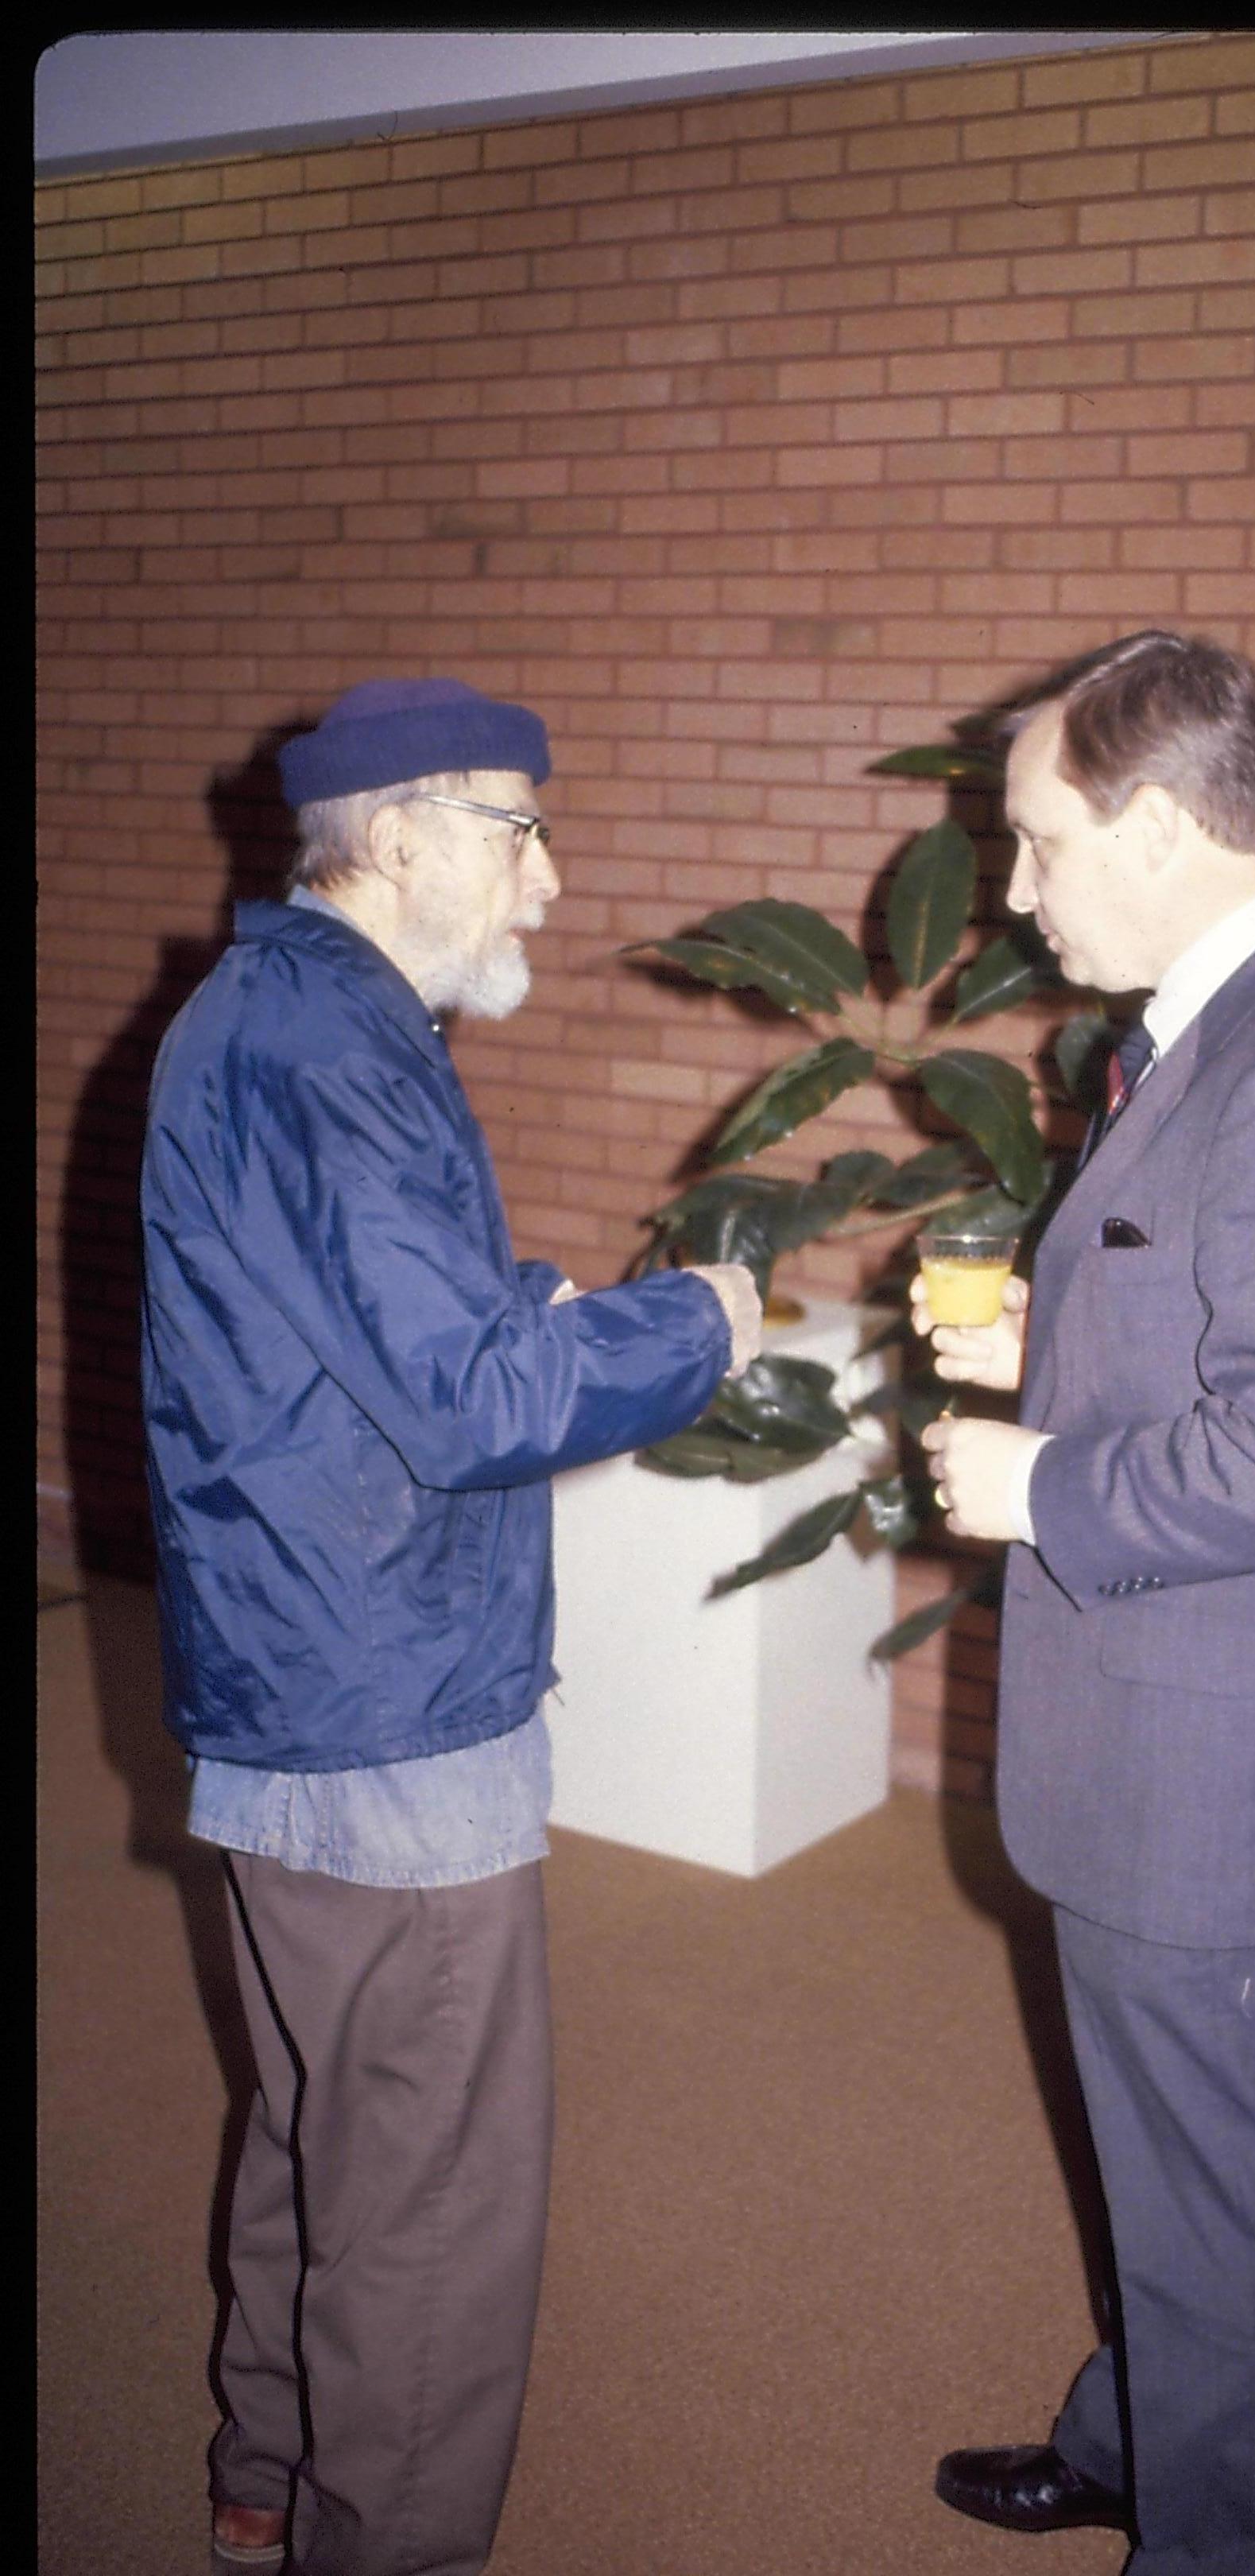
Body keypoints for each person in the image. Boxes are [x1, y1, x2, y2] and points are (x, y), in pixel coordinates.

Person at [139, 677, 763, 2576]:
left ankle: (264, 2474)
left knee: (327, 2121)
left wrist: (512, 1309)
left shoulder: (293, 1016)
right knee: (429, 2204)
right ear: (398, 837)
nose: (552, 883)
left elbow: (357, 1335)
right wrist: (699, 1325)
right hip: (387, 1704)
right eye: (522, 829)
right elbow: (475, 1407)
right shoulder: (333, 1048)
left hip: (297, 1669)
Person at [917, 630, 1255, 2576]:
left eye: (1044, 844)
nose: (1019, 887)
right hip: (1175, 1724)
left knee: (1222, 2212)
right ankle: (1138, 2440)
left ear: (1150, 823)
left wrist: (1038, 1477)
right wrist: (1062, 1329)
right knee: (1174, 2161)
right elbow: (1235, 1325)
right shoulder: (1231, 1020)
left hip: (1209, 1765)